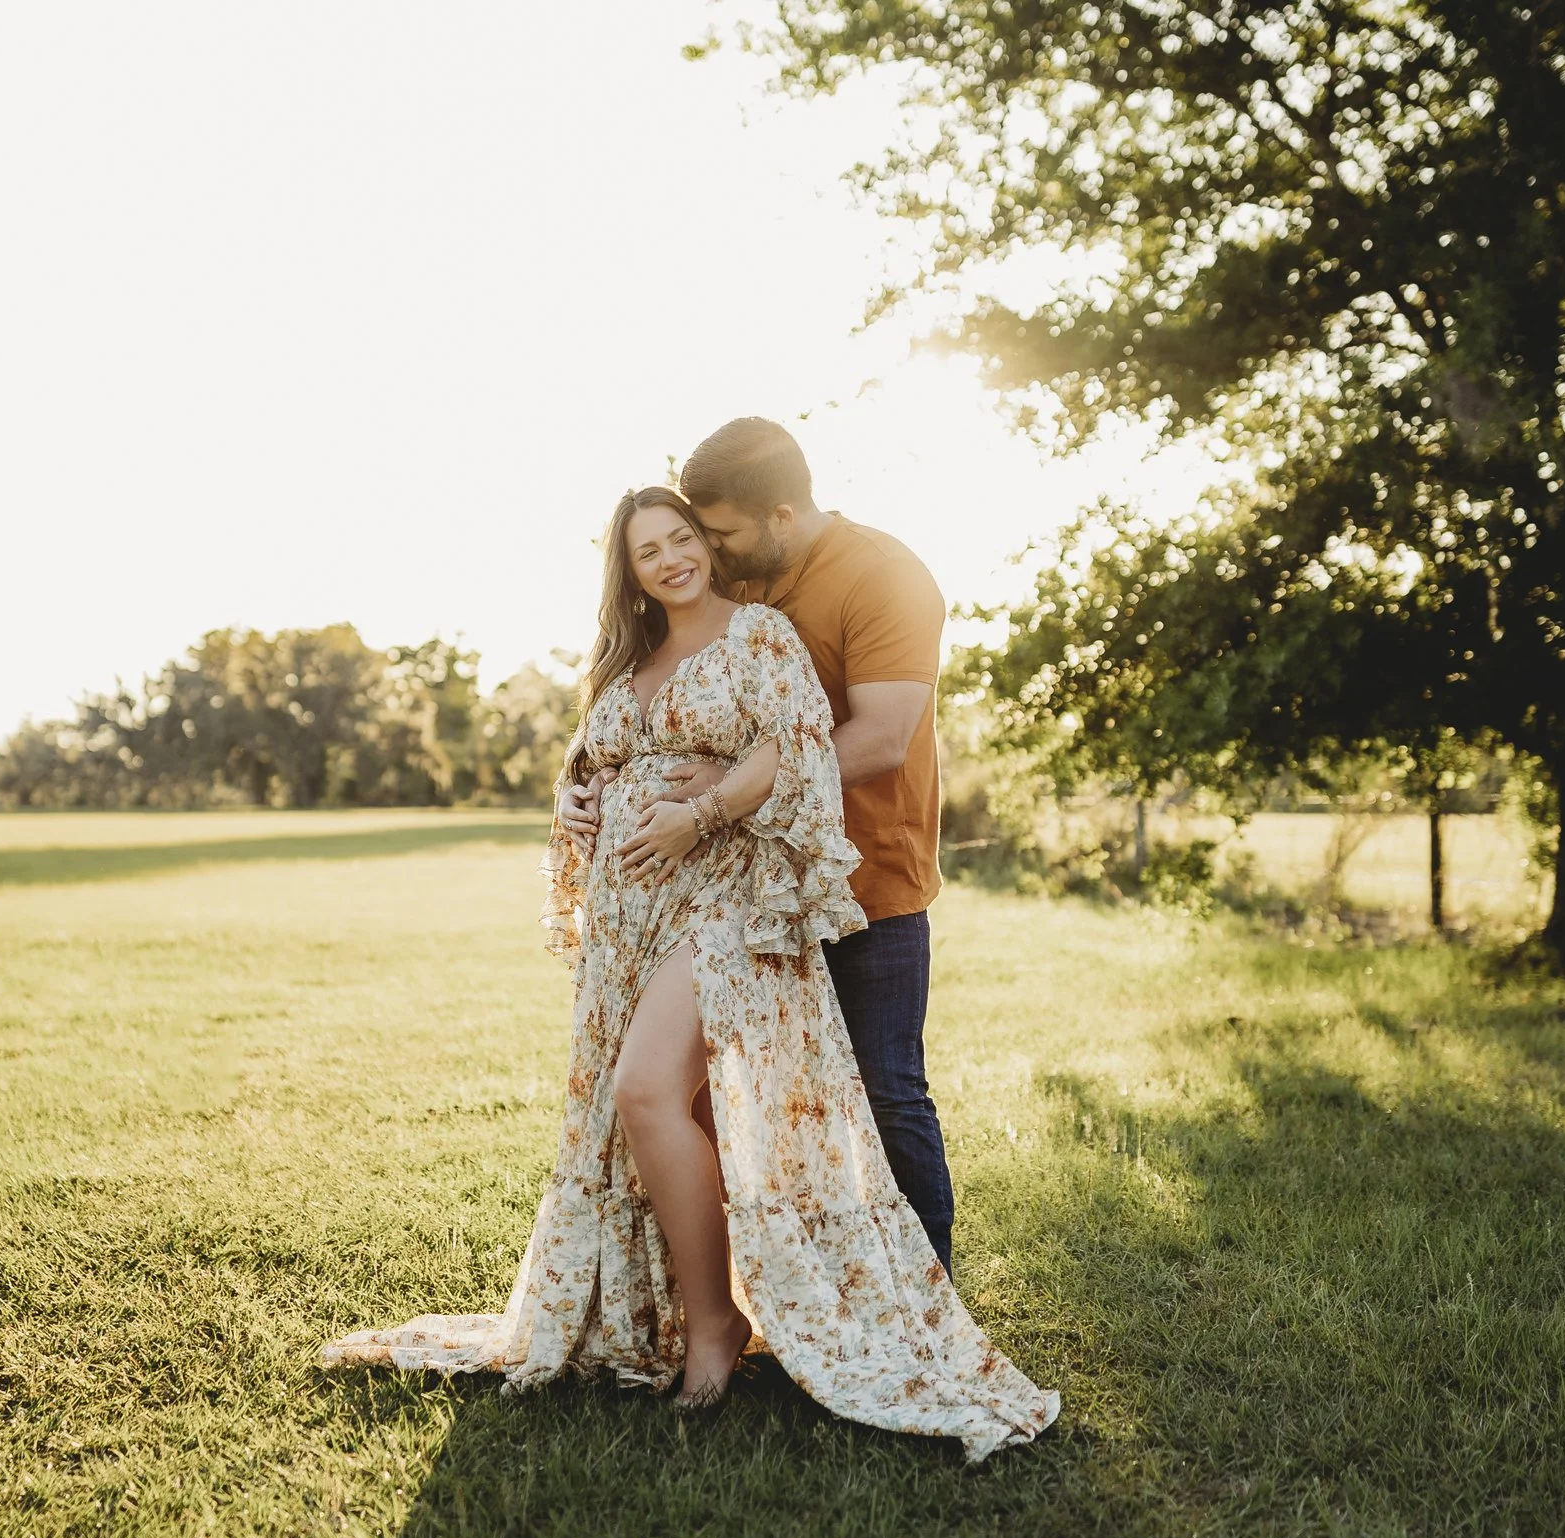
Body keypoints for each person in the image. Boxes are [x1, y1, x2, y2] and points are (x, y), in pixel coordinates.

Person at [320, 485, 1056, 1460]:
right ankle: (687, 1305)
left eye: (681, 539)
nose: (670, 559)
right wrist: (577, 798)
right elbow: (593, 760)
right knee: (648, 1106)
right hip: (629, 920)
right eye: (648, 550)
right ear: (627, 571)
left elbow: (795, 745)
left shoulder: (760, 635)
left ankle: (717, 1323)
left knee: (644, 1088)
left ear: (705, 545)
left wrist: (698, 814)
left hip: (722, 900)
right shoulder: (623, 658)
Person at [563, 418, 960, 1270]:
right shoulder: (743, 581)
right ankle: (785, 1291)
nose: (705, 551)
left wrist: (724, 791)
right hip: (736, 891)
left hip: (863, 880)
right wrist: (592, 785)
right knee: (751, 1099)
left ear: (780, 515)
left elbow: (882, 737)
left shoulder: (883, 576)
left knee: (884, 1092)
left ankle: (928, 1299)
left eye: (718, 534)